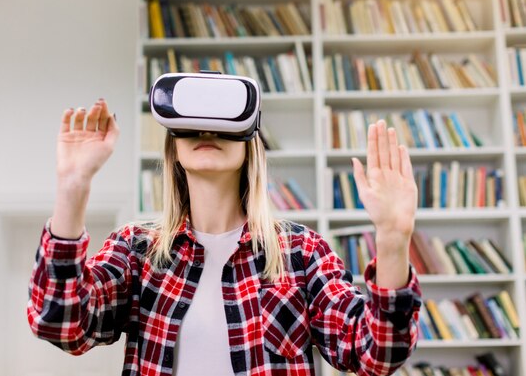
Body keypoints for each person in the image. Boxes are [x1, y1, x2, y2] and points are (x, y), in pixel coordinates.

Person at [27, 95, 422, 376]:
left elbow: (375, 354)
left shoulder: (301, 253)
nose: (205, 129)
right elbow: (62, 323)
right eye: (191, 123)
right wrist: (73, 186)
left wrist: (392, 238)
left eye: (223, 121)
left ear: (251, 146)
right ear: (173, 149)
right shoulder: (137, 251)